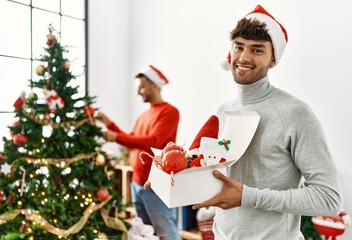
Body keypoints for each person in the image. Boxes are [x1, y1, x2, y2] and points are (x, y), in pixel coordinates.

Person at [190, 5, 342, 239]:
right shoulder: (224, 111)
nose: (244, 57)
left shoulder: (295, 113)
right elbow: (211, 174)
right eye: (239, 47)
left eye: (257, 50)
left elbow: (329, 199)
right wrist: (168, 178)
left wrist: (247, 196)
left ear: (273, 59)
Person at [97, 65, 181, 239]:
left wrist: (114, 136)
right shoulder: (143, 116)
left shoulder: (169, 112)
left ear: (154, 85)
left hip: (156, 184)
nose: (138, 92)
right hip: (137, 183)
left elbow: (153, 142)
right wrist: (109, 124)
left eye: (142, 86)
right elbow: (130, 141)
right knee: (145, 233)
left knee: (166, 232)